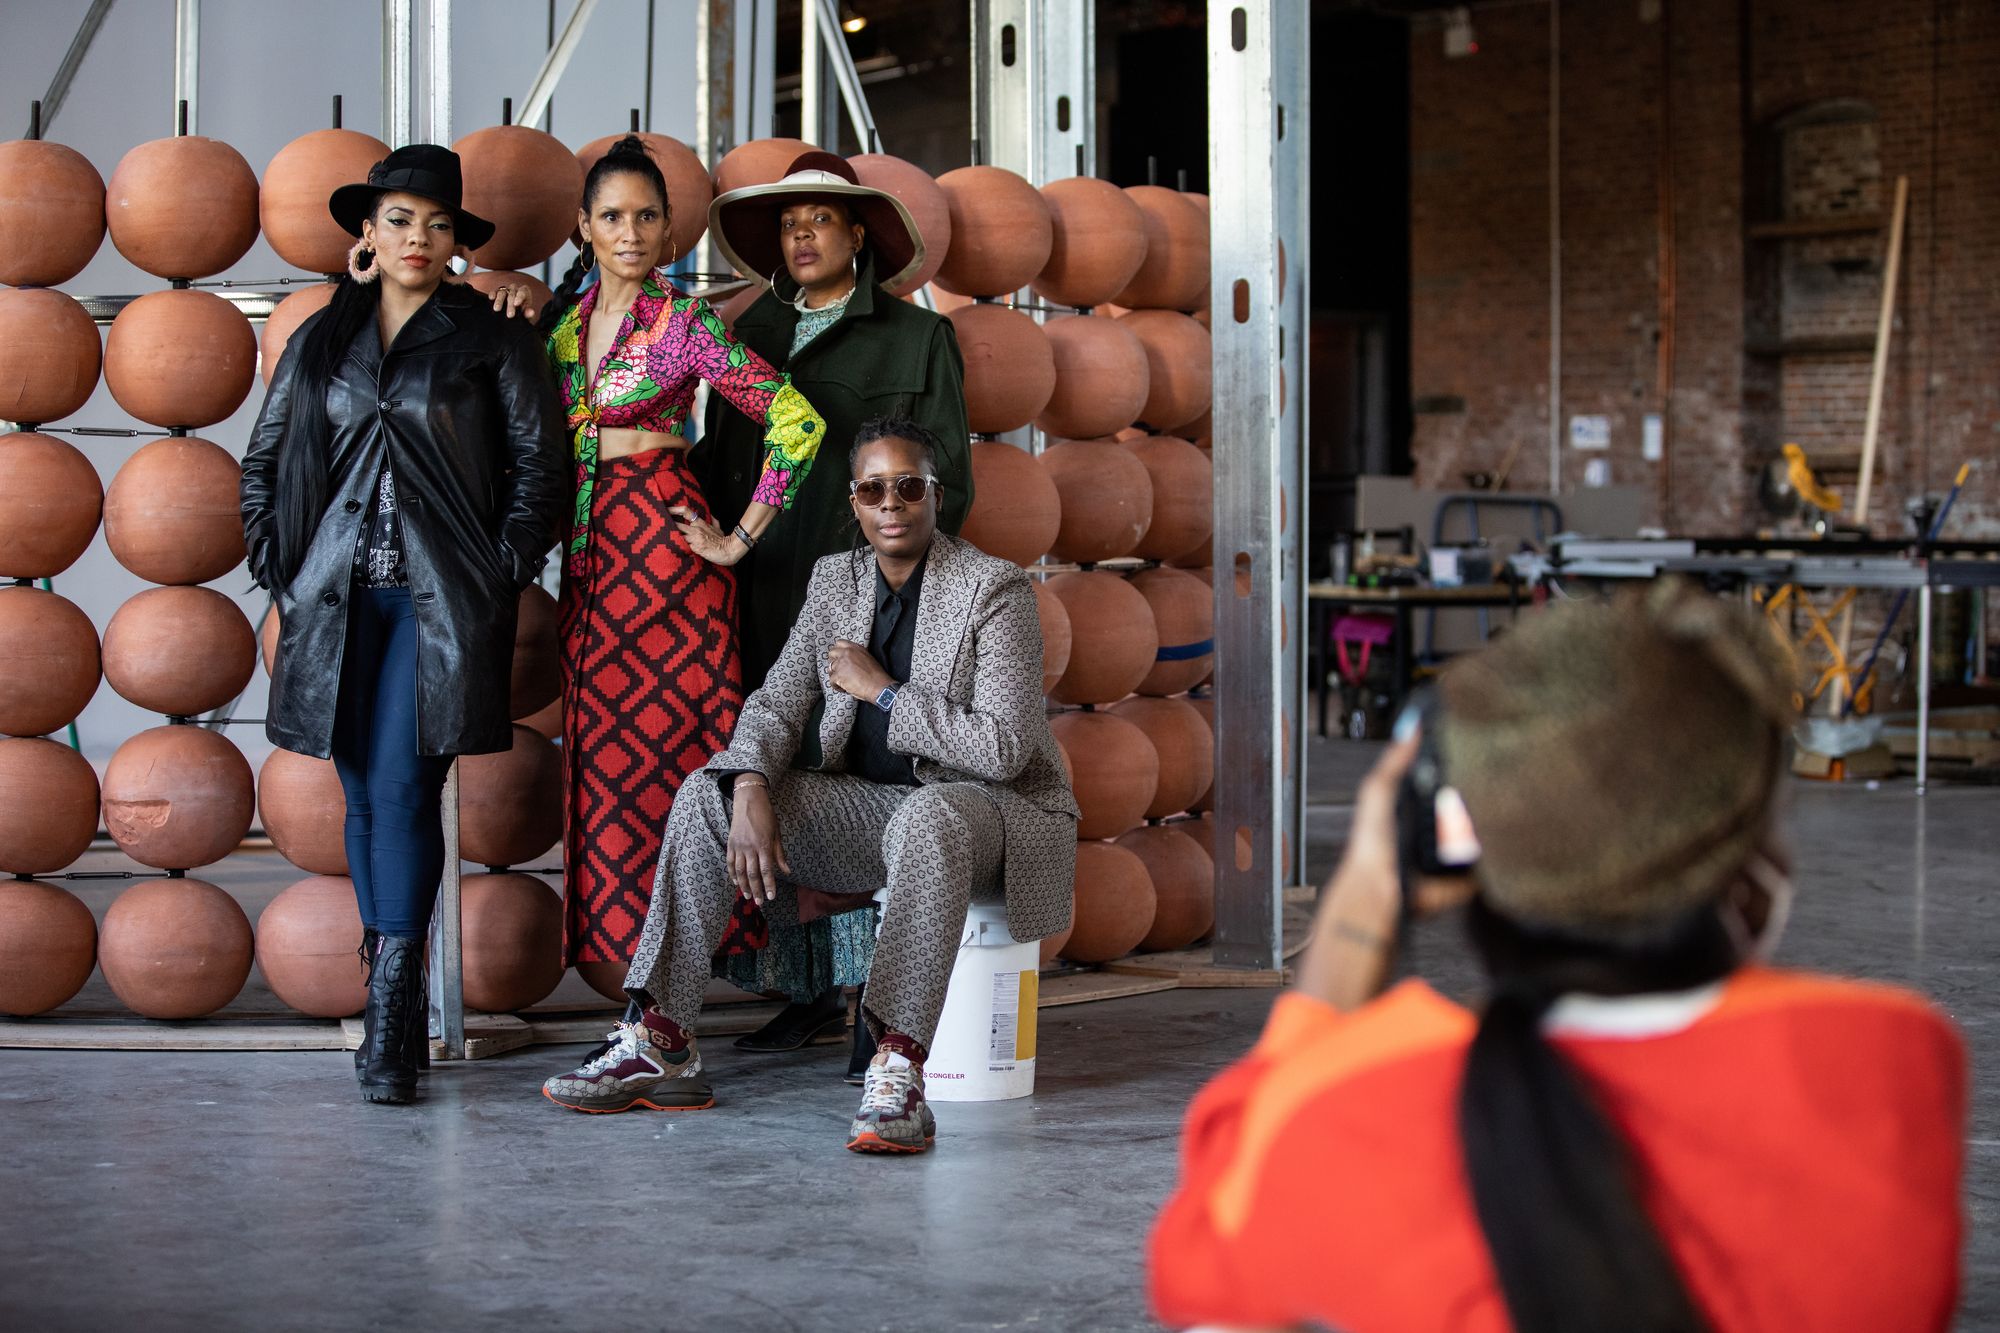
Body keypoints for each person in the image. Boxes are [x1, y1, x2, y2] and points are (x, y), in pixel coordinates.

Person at [1148, 582, 1966, 1332]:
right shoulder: (1894, 1062)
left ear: (1463, 859)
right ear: (1753, 876)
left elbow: (1205, 1273)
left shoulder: (1346, 1113)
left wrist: (1362, 902)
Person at [540, 418, 1077, 1155]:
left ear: (936, 496)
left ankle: (896, 1067)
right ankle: (660, 1032)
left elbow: (1005, 747)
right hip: (877, 807)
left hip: (993, 810)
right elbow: (776, 700)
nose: (892, 503)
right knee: (708, 790)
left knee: (931, 817)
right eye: (873, 489)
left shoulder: (994, 588)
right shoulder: (836, 579)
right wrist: (752, 778)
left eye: (909, 486)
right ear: (854, 502)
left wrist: (884, 692)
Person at [241, 144, 567, 1105]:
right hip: (337, 605)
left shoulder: (489, 337)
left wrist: (500, 570)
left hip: (439, 606)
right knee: (363, 796)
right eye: (397, 220)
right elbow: (265, 461)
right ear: (366, 235)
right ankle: (394, 995)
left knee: (402, 787)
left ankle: (389, 1009)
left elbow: (538, 473)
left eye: (434, 223)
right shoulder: (321, 339)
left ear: (455, 242)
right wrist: (278, 561)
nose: (415, 237)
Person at [695, 150, 973, 1068]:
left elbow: (948, 485)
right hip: (760, 590)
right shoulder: (746, 329)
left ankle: (871, 995)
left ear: (860, 234)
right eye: (788, 221)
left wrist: (895, 596)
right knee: (772, 776)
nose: (802, 234)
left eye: (821, 218)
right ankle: (802, 986)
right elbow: (718, 462)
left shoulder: (912, 337)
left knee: (865, 773)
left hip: (865, 604)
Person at [529, 136, 828, 984]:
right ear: (582, 226)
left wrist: (738, 538)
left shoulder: (687, 324)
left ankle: (678, 977)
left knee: (677, 759)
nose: (631, 231)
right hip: (590, 566)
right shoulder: (560, 331)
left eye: (648, 216)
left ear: (670, 233)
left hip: (668, 560)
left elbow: (796, 421)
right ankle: (636, 984)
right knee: (602, 762)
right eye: (614, 215)